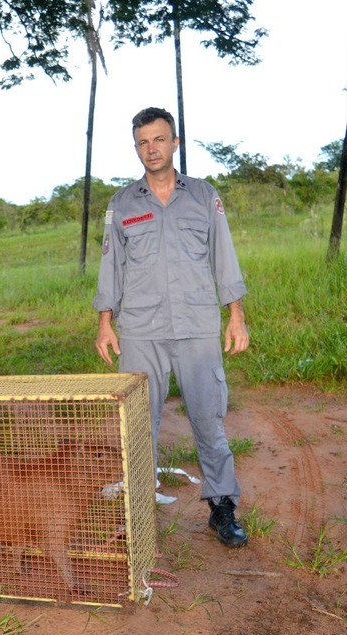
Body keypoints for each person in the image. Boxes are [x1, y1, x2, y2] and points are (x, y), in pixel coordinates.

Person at [93, 107, 250, 548]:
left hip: (198, 324)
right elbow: (111, 267)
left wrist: (235, 315)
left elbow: (225, 258)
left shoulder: (203, 196)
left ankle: (222, 507)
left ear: (175, 142)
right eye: (143, 142)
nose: (151, 149)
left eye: (159, 139)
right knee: (140, 424)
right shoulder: (121, 204)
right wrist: (105, 323)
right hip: (141, 329)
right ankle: (139, 513)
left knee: (208, 419)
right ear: (136, 148)